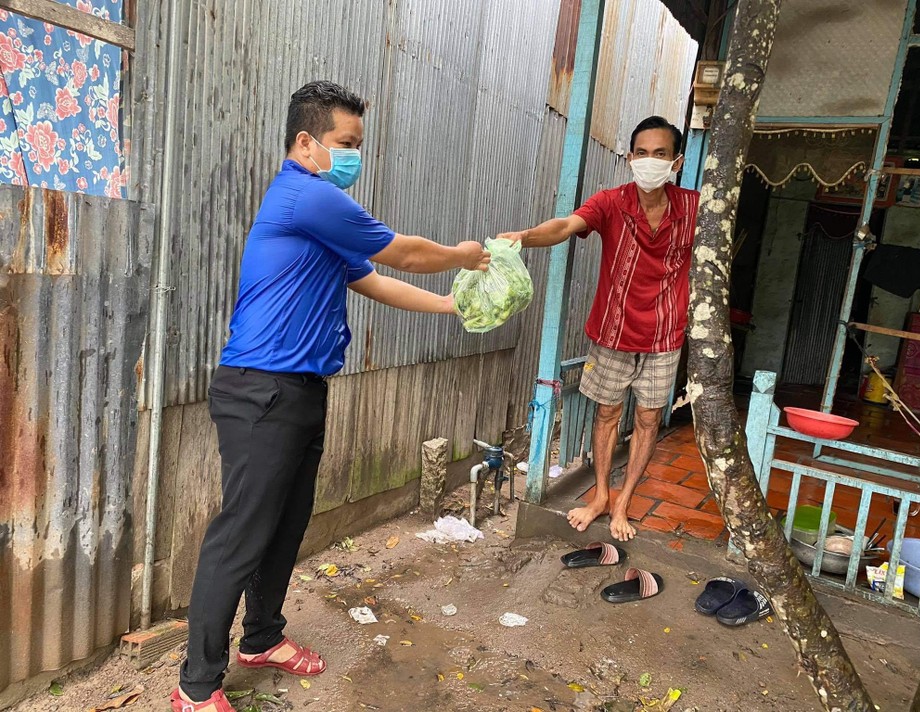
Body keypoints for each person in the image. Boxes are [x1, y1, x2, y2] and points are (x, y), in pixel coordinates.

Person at [171, 80, 490, 712]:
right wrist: (463, 257)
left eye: (358, 145)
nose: (353, 156)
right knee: (240, 535)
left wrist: (453, 305)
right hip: (261, 389)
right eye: (345, 143)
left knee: (284, 527)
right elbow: (403, 251)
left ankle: (261, 639)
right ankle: (195, 685)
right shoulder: (306, 195)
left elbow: (374, 279)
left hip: (301, 391)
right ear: (305, 142)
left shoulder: (321, 217)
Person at [498, 116, 698, 543]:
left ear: (676, 161)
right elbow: (567, 225)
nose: (649, 161)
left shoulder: (695, 208)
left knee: (647, 421)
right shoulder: (611, 203)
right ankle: (600, 497)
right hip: (613, 332)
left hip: (665, 337)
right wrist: (525, 237)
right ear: (629, 158)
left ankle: (624, 503)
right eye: (641, 153)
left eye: (660, 154)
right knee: (607, 414)